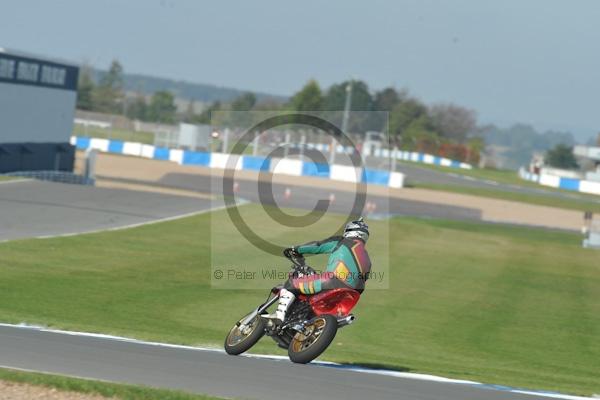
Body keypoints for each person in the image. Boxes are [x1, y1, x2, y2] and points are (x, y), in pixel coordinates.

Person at [266, 217, 371, 324]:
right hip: (350, 295)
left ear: (349, 231)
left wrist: (296, 249)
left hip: (332, 281)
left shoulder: (342, 241)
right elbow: (362, 284)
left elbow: (318, 246)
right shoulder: (367, 259)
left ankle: (279, 316)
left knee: (291, 283)